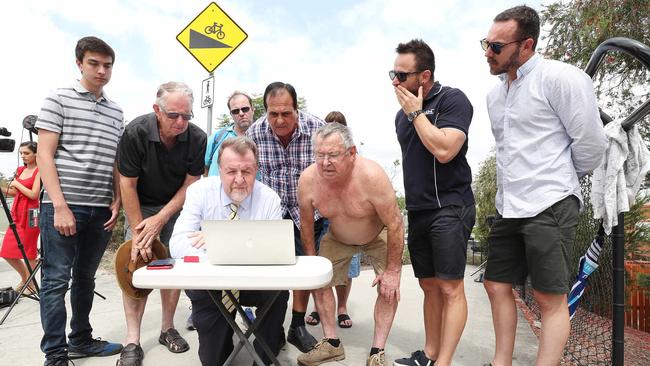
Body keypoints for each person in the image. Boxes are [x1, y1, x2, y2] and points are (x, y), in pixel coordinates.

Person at [481, 6, 607, 366]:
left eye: (496, 46)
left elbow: (591, 146)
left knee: (549, 297)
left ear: (526, 45)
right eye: (486, 44)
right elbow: (507, 151)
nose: (488, 53)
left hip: (550, 202)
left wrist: (558, 178)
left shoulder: (562, 79)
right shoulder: (495, 96)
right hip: (509, 205)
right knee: (495, 284)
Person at [35, 36, 124, 366]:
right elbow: (45, 154)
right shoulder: (57, 99)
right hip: (63, 206)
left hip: (101, 208)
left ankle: (81, 340)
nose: (102, 71)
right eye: (94, 64)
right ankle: (55, 354)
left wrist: (116, 200)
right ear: (79, 64)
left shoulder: (117, 112)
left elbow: (115, 161)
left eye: (107, 65)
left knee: (86, 278)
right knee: (56, 281)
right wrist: (59, 205)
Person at [391, 39, 476, 366]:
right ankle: (428, 354)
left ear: (424, 76)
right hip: (420, 211)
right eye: (392, 74)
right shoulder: (401, 118)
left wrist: (416, 113)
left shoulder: (452, 100)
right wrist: (410, 115)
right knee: (429, 285)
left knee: (450, 287)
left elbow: (445, 150)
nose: (395, 82)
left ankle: (444, 362)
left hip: (451, 207)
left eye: (402, 75)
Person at [170, 136, 288, 366]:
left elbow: (275, 250)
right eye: (231, 171)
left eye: (247, 171)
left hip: (256, 282)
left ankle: (264, 355)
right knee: (214, 359)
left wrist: (216, 238)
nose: (240, 180)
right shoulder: (199, 192)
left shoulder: (269, 198)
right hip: (211, 285)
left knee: (279, 295)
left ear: (257, 170)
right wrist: (245, 242)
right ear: (219, 171)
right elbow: (177, 245)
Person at [296, 122, 404, 366]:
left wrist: (394, 271)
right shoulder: (308, 180)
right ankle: (332, 343)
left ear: (351, 153)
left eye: (333, 155)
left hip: (378, 234)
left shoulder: (372, 176)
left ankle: (377, 352)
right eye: (320, 155)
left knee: (389, 286)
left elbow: (396, 223)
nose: (325, 163)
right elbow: (305, 225)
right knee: (318, 278)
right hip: (337, 237)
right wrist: (312, 263)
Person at [116, 81, 207, 365]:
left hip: (177, 206)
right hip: (140, 203)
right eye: (173, 115)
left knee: (174, 266)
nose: (180, 122)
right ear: (157, 110)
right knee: (136, 265)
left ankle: (167, 327)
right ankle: (132, 339)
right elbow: (127, 185)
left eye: (187, 116)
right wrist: (140, 229)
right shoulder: (135, 132)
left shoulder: (197, 138)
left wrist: (162, 218)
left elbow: (191, 184)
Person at [246, 81, 326, 353]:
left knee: (304, 269)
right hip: (272, 214)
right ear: (265, 111)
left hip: (308, 212)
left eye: (286, 113)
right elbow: (246, 172)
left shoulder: (318, 129)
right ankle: (273, 329)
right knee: (274, 274)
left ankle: (298, 325)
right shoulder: (255, 133)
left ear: (296, 109)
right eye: (273, 113)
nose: (279, 120)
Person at [305, 111, 360, 329]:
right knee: (318, 263)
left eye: (339, 125)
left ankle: (342, 308)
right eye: (330, 125)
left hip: (346, 218)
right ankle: (318, 306)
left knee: (346, 266)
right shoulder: (318, 155)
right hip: (322, 216)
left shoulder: (352, 154)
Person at [1, 142, 40, 294]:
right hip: (17, 213)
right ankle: (27, 280)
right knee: (6, 252)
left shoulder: (40, 170)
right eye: (21, 153)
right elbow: (13, 193)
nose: (23, 156)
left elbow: (33, 194)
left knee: (29, 251)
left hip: (32, 214)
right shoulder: (20, 170)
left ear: (36, 154)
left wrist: (17, 183)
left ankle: (29, 284)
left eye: (26, 153)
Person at [205, 91, 255, 176]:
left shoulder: (263, 138)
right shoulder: (217, 137)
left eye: (245, 109)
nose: (241, 113)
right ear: (231, 114)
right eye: (235, 111)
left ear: (253, 109)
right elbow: (205, 166)